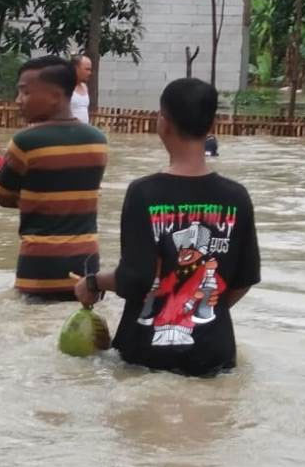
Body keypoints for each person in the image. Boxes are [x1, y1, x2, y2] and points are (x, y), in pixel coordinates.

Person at [73, 78, 260, 377]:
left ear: (163, 123)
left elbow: (135, 279)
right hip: (213, 352)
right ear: (212, 124)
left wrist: (92, 283)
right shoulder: (236, 197)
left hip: (146, 352)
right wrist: (200, 315)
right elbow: (244, 279)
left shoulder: (144, 193)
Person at [0, 56, 108, 300]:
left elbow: (1, 196)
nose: (18, 101)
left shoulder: (25, 142)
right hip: (87, 269)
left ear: (56, 96)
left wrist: (36, 199)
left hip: (38, 268)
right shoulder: (98, 140)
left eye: (25, 92)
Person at [70, 54, 92, 124]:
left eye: (90, 70)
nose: (89, 73)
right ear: (76, 68)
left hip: (83, 132)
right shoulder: (64, 86)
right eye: (87, 69)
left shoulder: (85, 87)